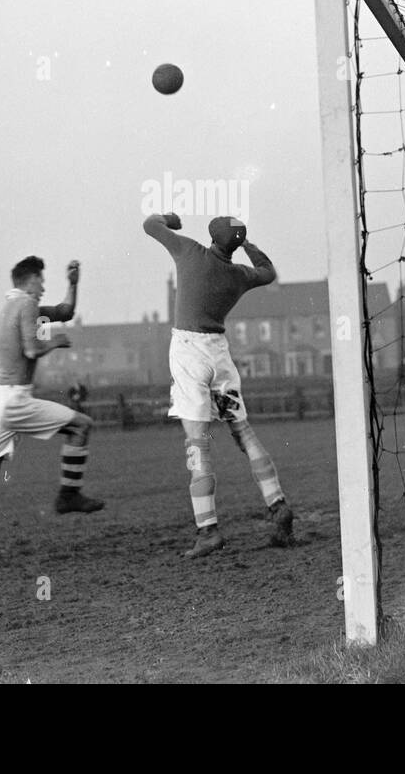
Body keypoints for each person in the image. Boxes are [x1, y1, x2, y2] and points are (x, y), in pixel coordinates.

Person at [143, 213, 294, 558]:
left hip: (189, 356)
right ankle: (277, 503)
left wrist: (170, 218)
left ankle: (208, 530)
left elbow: (150, 225)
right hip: (220, 356)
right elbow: (268, 272)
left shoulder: (189, 252)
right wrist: (248, 245)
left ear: (211, 237)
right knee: (245, 434)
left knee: (198, 443)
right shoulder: (238, 275)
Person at [0, 258, 104, 561]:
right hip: (15, 400)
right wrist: (54, 342)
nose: (43, 287)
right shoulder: (28, 305)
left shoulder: (14, 307)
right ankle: (68, 494)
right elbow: (31, 349)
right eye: (41, 280)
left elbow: (65, 312)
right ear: (29, 281)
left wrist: (73, 282)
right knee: (81, 425)